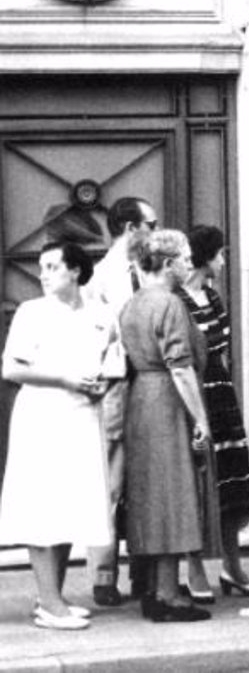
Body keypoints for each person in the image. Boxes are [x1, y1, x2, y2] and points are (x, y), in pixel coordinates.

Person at [0, 242, 117, 630]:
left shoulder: (101, 315)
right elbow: (11, 371)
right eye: (42, 266)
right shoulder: (32, 313)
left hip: (82, 417)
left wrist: (98, 385)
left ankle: (54, 596)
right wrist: (64, 379)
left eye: (53, 267)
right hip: (42, 417)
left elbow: (109, 364)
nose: (44, 274)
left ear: (76, 272)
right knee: (42, 504)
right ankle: (50, 604)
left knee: (69, 506)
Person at [118, 228, 216, 624]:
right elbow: (181, 367)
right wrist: (201, 419)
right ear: (167, 262)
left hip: (140, 399)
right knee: (174, 493)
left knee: (150, 494)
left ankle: (155, 586)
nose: (190, 263)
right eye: (185, 256)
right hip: (168, 402)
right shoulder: (170, 304)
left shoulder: (134, 303)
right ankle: (167, 592)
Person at [178, 225, 249, 600]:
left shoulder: (212, 296)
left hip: (221, 393)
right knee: (198, 483)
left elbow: (223, 349)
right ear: (206, 256)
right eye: (220, 253)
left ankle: (232, 567)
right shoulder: (177, 299)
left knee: (231, 482)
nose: (224, 260)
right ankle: (194, 568)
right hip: (194, 395)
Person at [87, 194, 156, 607]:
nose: (154, 229)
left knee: (145, 478)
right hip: (117, 384)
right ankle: (103, 572)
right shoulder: (102, 277)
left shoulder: (146, 271)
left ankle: (144, 571)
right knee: (110, 481)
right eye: (150, 223)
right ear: (131, 228)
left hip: (146, 384)